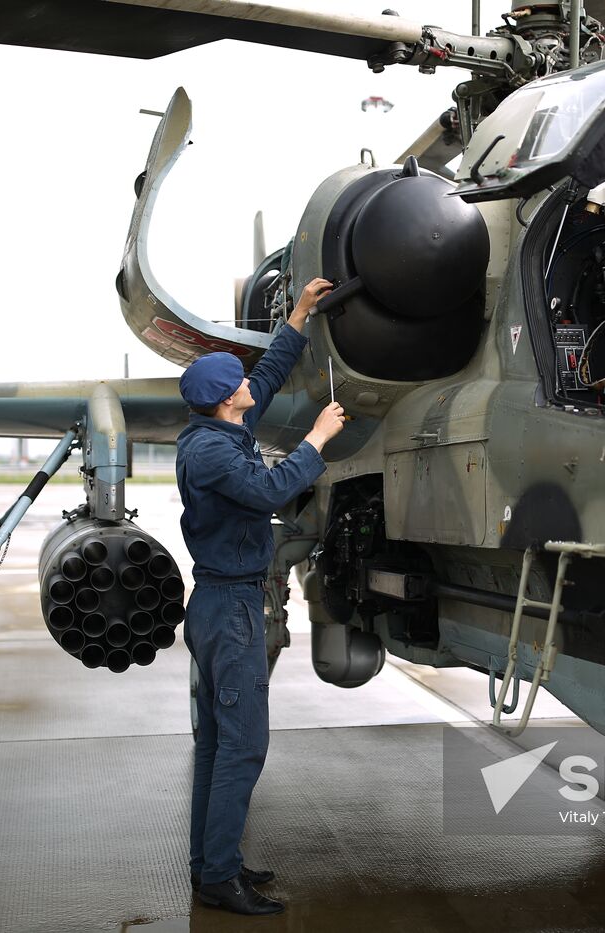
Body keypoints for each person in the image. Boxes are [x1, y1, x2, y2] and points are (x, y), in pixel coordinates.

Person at [176, 277, 346, 916]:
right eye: (238, 383)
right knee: (242, 747)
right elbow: (272, 490)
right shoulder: (217, 458)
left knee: (220, 746)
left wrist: (300, 313)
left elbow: (268, 374)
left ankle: (212, 864)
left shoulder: (215, 430)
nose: (251, 385)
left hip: (223, 607)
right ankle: (218, 878)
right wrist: (318, 438)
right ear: (226, 402)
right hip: (231, 611)